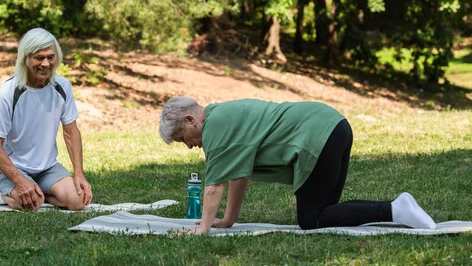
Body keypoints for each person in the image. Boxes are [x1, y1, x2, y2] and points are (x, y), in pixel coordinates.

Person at [159, 97, 436, 233]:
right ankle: (398, 209)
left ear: (189, 120)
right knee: (326, 214)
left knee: (311, 218)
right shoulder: (224, 116)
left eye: (182, 139)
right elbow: (236, 175)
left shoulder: (215, 127)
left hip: (318, 135)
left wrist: (202, 229)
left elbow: (213, 186)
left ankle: (396, 209)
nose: (189, 146)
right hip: (335, 125)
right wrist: (228, 220)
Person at [0, 27, 92, 211]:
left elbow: (71, 132)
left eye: (50, 57)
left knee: (78, 201)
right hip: (11, 167)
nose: (45, 63)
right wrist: (19, 181)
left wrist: (79, 174)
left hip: (45, 168)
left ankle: (38, 192)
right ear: (25, 59)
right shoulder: (10, 91)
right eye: (38, 57)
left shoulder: (62, 87)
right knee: (30, 203)